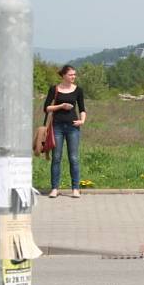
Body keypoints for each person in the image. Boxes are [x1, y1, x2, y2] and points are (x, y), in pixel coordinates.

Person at [43, 65, 86, 199]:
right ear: (63, 76)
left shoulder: (78, 90)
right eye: (71, 75)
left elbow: (82, 108)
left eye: (74, 74)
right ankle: (55, 188)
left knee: (73, 158)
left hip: (73, 127)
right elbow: (46, 108)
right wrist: (61, 106)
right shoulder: (54, 89)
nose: (73, 77)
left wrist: (82, 121)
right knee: (56, 158)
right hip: (57, 127)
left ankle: (75, 188)